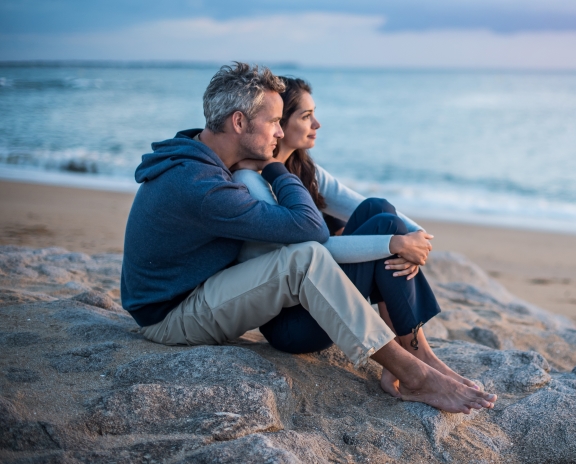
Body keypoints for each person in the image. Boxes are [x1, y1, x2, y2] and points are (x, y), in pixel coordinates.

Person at [120, 62, 496, 413]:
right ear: (238, 121)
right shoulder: (203, 186)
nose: (279, 132)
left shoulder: (201, 158)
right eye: (273, 121)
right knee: (305, 260)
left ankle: (415, 355)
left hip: (190, 292)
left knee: (371, 217)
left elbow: (331, 216)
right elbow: (310, 229)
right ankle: (415, 375)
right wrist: (274, 166)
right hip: (170, 316)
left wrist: (406, 236)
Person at [232, 76, 479, 394]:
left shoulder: (304, 170)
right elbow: (309, 255)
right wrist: (395, 243)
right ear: (280, 123)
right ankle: (416, 356)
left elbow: (366, 207)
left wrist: (416, 238)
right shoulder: (250, 182)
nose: (317, 124)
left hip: (322, 301)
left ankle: (411, 353)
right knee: (386, 230)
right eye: (306, 116)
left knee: (379, 209)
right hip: (291, 325)